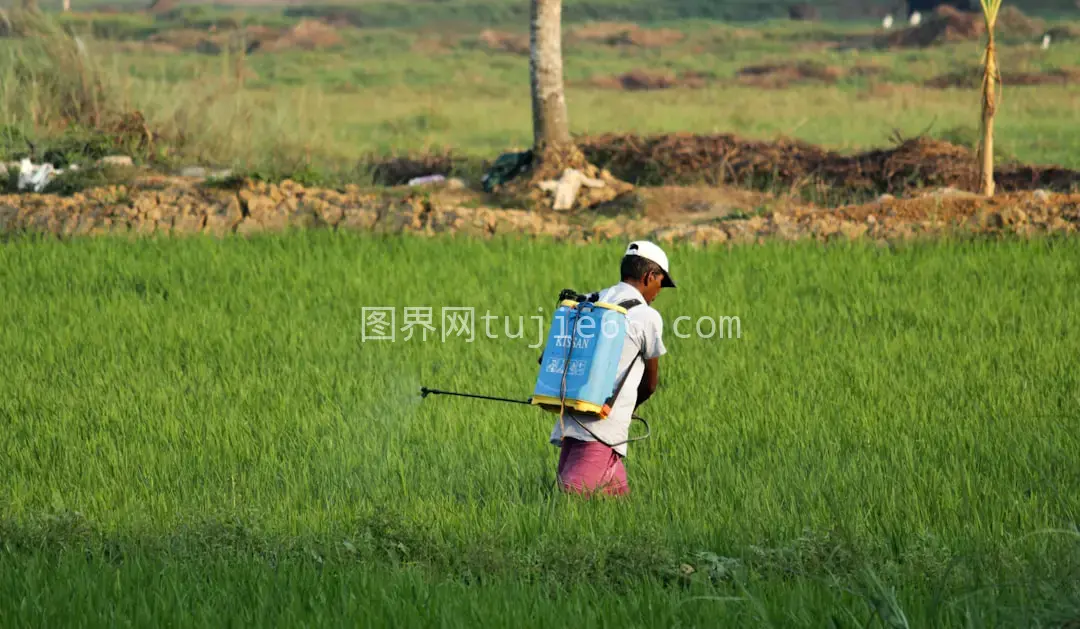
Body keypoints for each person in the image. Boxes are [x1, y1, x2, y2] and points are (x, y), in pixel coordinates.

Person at [549, 241, 675, 497]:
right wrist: (628, 411)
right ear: (649, 276)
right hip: (603, 428)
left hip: (573, 416)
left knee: (614, 504)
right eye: (661, 282)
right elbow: (650, 384)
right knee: (571, 498)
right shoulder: (646, 316)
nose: (659, 291)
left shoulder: (592, 300)